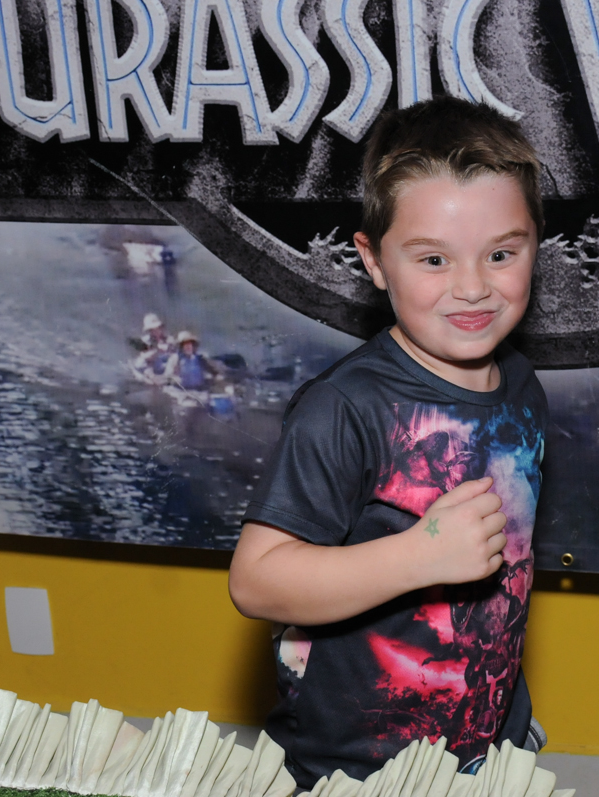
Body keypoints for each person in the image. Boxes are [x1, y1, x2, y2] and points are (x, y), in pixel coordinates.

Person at [228, 97, 550, 789]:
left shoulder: (522, 386)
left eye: (501, 254)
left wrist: (508, 721)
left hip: (486, 753)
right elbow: (256, 581)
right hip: (355, 771)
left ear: (535, 246)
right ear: (374, 261)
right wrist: (418, 555)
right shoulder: (344, 408)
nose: (473, 287)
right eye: (433, 259)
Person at [131, 312, 175, 384]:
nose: (155, 331)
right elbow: (143, 356)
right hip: (152, 366)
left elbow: (174, 353)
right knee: (140, 363)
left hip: (165, 365)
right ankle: (151, 378)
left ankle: (168, 379)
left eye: (157, 328)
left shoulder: (169, 339)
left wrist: (168, 349)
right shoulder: (145, 340)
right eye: (152, 330)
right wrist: (157, 350)